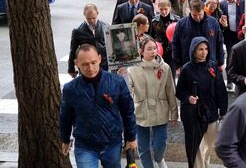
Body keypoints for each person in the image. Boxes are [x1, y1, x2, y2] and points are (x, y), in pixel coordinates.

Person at [59, 44, 137, 166]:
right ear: (76, 63)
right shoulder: (70, 89)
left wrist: (131, 137)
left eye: (93, 62)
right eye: (85, 64)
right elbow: (65, 117)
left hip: (112, 142)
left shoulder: (117, 82)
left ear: (99, 59)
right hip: (85, 145)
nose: (90, 68)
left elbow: (128, 111)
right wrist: (65, 139)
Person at [177, 37, 228, 168]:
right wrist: (188, 98)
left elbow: (221, 90)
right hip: (193, 114)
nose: (203, 52)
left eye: (206, 49)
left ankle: (206, 159)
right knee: (195, 147)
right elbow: (179, 91)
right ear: (193, 50)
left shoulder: (212, 67)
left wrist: (223, 111)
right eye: (200, 49)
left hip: (210, 112)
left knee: (211, 143)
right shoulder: (187, 69)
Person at [127, 38, 178, 168]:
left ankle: (160, 159)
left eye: (154, 48)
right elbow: (127, 90)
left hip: (160, 110)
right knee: (143, 148)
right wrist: (122, 74)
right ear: (141, 51)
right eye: (149, 49)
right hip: (140, 111)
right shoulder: (132, 69)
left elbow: (170, 90)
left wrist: (174, 112)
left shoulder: (164, 67)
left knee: (160, 144)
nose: (153, 51)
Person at [172, 0, 225, 72]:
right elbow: (176, 45)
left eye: (200, 14)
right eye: (194, 15)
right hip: (189, 64)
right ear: (190, 11)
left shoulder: (213, 22)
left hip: (209, 63)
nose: (197, 18)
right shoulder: (181, 24)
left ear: (204, 10)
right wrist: (178, 65)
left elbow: (219, 43)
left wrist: (221, 62)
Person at [219, 0, 246, 91]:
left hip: (241, 34)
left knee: (242, 57)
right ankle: (229, 80)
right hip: (229, 34)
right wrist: (223, 24)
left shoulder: (243, 1)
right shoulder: (223, 4)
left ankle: (240, 79)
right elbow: (222, 16)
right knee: (230, 56)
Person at [68, 4, 109, 76]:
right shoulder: (77, 31)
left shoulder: (106, 27)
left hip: (103, 64)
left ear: (97, 13)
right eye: (88, 18)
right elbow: (73, 50)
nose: (92, 21)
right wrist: (71, 68)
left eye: (94, 18)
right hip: (86, 65)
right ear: (84, 15)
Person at [150, 0, 180, 79]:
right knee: (159, 77)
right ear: (158, 8)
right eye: (161, 9)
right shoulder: (154, 21)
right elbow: (151, 36)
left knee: (171, 76)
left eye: (166, 9)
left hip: (172, 52)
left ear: (170, 8)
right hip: (158, 52)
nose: (163, 11)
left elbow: (180, 37)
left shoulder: (177, 20)